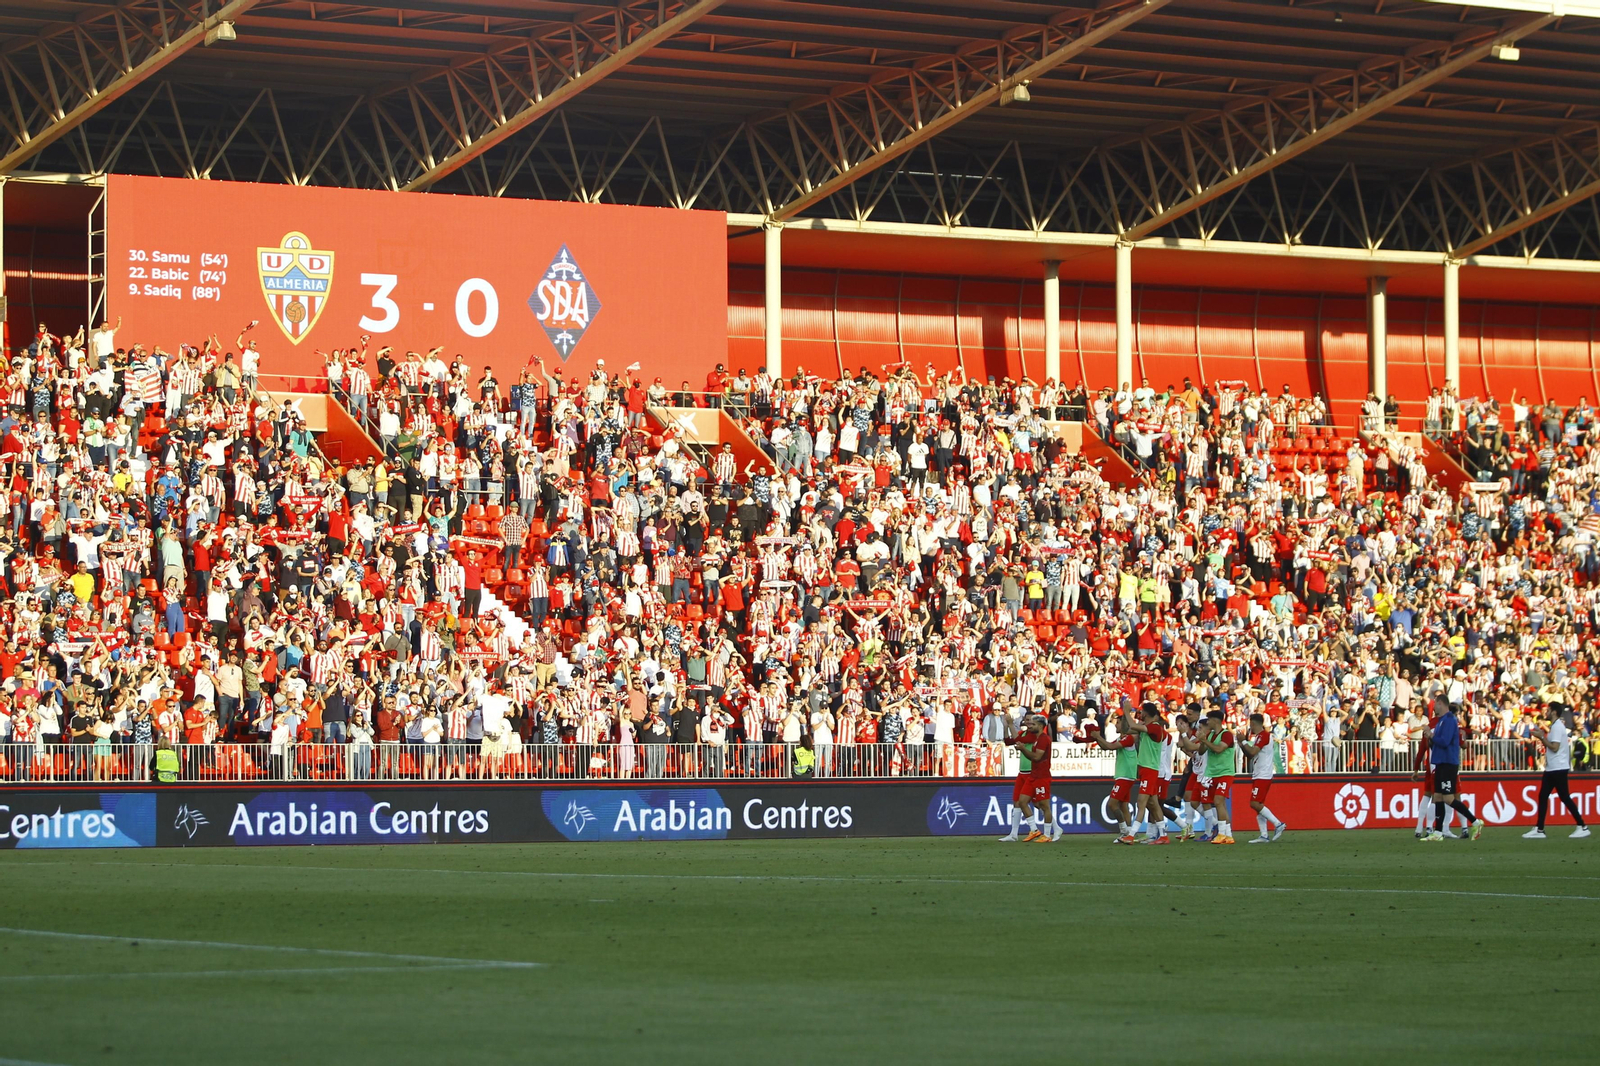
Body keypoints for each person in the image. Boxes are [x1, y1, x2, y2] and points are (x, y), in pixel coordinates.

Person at [1523, 707, 1591, 840]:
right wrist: (1542, 736)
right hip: (1553, 767)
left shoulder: (1557, 727)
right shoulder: (1555, 726)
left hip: (1558, 768)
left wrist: (1541, 737)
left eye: (1548, 710)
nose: (1546, 712)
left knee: (1563, 797)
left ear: (1554, 712)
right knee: (1544, 796)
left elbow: (1554, 747)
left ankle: (1582, 826)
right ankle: (1540, 829)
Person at [1422, 702, 1482, 842]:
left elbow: (1445, 742)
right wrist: (1429, 737)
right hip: (1440, 763)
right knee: (1437, 797)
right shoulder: (1441, 721)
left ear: (1441, 705)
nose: (1433, 707)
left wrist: (1431, 735)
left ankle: (1475, 822)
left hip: (1448, 763)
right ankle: (1438, 833)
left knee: (1448, 798)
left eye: (1436, 704)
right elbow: (1436, 743)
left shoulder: (1449, 720)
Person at [998, 714, 1058, 842]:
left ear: (1040, 726)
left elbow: (1034, 755)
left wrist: (1011, 726)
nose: (1029, 724)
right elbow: (1011, 741)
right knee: (1021, 802)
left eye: (1032, 723)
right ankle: (1032, 830)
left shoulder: (1039, 738)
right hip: (1030, 774)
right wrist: (1006, 726)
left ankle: (1049, 833)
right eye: (1027, 721)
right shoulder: (1033, 736)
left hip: (1039, 775)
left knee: (1042, 805)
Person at [1239, 712, 1287, 843]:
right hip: (1259, 774)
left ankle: (1278, 824)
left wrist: (1243, 741)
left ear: (1254, 724)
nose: (1250, 727)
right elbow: (1250, 755)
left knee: (1254, 803)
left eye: (1251, 724)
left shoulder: (1264, 735)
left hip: (1263, 775)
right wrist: (1241, 744)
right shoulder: (1260, 736)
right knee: (1259, 805)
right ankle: (1264, 835)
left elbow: (1252, 751)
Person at [1127, 704, 1170, 844]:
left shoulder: (1155, 727)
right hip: (1146, 769)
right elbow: (1128, 729)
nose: (1140, 714)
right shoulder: (1146, 727)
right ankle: (1163, 835)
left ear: (1146, 713)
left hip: (1150, 769)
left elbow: (1132, 726)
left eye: (1142, 712)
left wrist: (1127, 711)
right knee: (1153, 804)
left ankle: (1131, 835)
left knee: (1141, 802)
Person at [1198, 710, 1237, 845]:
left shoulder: (1226, 735)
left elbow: (1219, 749)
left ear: (1215, 720)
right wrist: (1202, 740)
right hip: (1212, 773)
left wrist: (1205, 740)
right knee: (1221, 805)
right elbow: (1201, 751)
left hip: (1225, 773)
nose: (1207, 722)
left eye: (1209, 719)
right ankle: (1228, 835)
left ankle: (1221, 833)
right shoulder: (1210, 735)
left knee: (1218, 801)